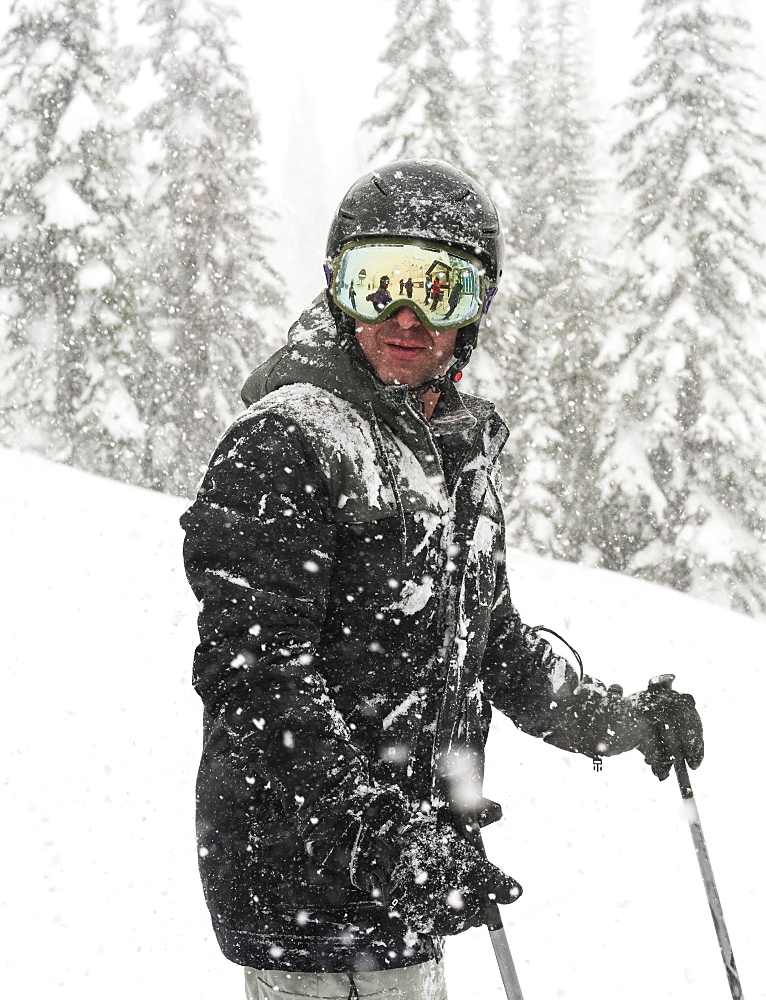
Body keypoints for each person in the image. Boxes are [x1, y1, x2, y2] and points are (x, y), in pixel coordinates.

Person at [181, 159, 704, 1000]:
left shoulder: (451, 457)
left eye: (441, 289)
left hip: (409, 886)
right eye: (377, 281)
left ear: (476, 308)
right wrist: (382, 837)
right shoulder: (288, 441)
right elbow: (256, 679)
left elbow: (494, 647)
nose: (406, 316)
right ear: (337, 288)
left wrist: (628, 721)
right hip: (306, 890)